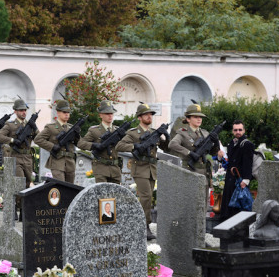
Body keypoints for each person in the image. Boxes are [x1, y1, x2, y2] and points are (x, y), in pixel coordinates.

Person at [116, 103, 169, 240]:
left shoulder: (153, 132)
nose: (149, 116)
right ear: (139, 117)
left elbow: (165, 147)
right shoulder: (133, 133)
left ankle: (140, 223)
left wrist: (165, 135)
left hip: (152, 168)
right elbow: (119, 146)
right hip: (140, 168)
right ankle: (144, 225)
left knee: (149, 197)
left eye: (151, 114)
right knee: (145, 197)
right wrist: (135, 146)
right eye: (146, 114)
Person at [168, 102, 220, 189]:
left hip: (204, 172)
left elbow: (213, 153)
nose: (199, 119)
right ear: (188, 119)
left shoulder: (205, 133)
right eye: (195, 117)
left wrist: (216, 142)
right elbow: (172, 144)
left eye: (200, 117)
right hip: (189, 171)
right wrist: (189, 153)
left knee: (203, 200)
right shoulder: (183, 133)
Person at [34, 99, 79, 183]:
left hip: (70, 162)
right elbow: (38, 139)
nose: (66, 114)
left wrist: (77, 135)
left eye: (68, 112)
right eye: (64, 112)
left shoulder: (71, 128)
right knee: (60, 187)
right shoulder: (51, 127)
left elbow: (79, 144)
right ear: (58, 112)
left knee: (71, 189)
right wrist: (52, 146)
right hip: (57, 162)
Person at [78, 100, 122, 183]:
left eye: (111, 113)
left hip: (115, 169)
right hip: (101, 168)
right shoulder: (94, 130)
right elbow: (81, 143)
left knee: (115, 194)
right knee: (103, 194)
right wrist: (94, 145)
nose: (110, 116)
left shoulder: (118, 131)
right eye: (107, 113)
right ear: (100, 115)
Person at [220, 120, 255, 220]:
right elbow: (229, 161)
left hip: (239, 181)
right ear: (232, 131)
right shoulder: (232, 143)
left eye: (240, 130)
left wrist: (246, 180)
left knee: (237, 208)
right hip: (230, 179)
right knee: (228, 207)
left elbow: (248, 163)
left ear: (244, 130)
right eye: (235, 130)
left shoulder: (247, 144)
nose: (238, 132)